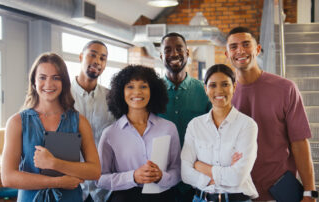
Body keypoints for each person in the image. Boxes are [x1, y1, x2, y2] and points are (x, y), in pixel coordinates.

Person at [225, 26, 316, 201]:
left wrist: (309, 191)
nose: (240, 51)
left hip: (278, 192)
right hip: (237, 193)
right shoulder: (222, 94)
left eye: (246, 44)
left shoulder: (285, 89)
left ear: (257, 49)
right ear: (227, 53)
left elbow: (299, 143)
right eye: (233, 47)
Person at [1, 53, 101, 202]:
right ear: (34, 82)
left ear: (64, 82)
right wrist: (57, 182)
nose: (48, 84)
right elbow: (8, 178)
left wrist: (54, 163)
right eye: (42, 77)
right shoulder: (17, 122)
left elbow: (95, 171)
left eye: (56, 78)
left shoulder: (80, 122)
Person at [96, 65, 181, 202]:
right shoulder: (110, 133)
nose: (137, 92)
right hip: (124, 198)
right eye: (130, 87)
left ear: (152, 91)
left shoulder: (169, 128)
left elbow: (177, 171)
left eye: (143, 86)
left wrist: (161, 177)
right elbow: (100, 179)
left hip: (162, 197)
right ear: (121, 92)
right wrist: (133, 177)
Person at [181, 64, 258, 202]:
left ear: (234, 87)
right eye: (212, 85)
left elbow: (237, 177)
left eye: (225, 84)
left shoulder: (247, 125)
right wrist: (224, 172)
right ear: (205, 89)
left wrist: (200, 166)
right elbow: (185, 173)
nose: (219, 90)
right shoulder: (195, 125)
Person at [158, 32, 211, 202]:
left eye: (179, 49)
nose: (174, 54)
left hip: (197, 180)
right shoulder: (151, 92)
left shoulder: (204, 91)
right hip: (161, 179)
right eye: (168, 50)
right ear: (161, 56)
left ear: (187, 53)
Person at [71, 40, 115, 202]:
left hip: (103, 188)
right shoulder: (63, 96)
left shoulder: (111, 98)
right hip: (72, 186)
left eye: (103, 58)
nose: (97, 61)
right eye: (93, 55)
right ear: (81, 57)